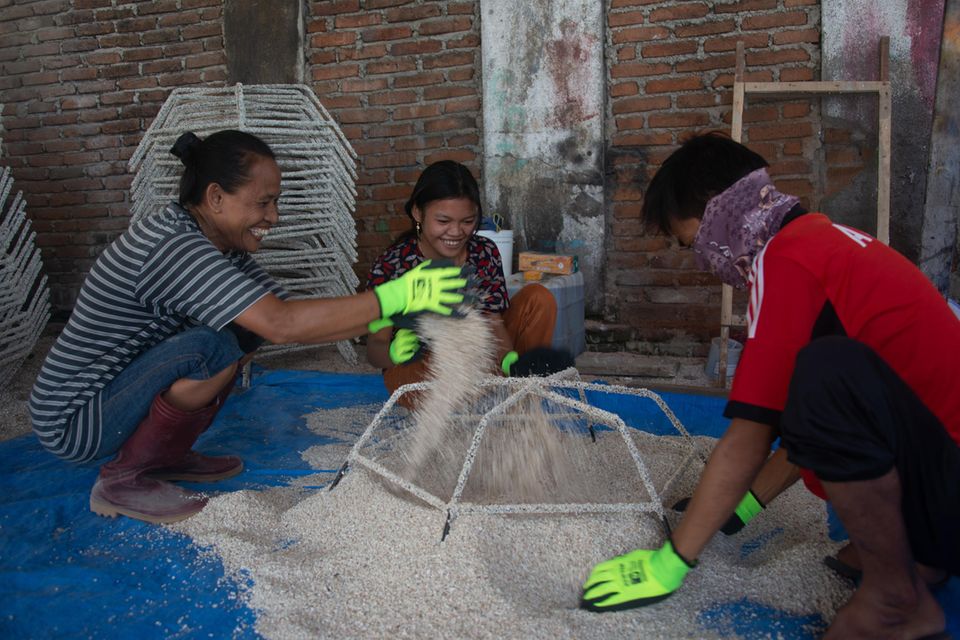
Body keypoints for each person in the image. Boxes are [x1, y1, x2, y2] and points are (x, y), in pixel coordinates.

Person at [579, 131, 959, 639]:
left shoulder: (787, 262)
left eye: (690, 241)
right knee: (819, 380)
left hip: (947, 484)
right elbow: (821, 418)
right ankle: (919, 555)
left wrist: (672, 560)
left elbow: (751, 435)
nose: (700, 261)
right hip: (936, 462)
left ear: (718, 213)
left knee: (821, 373)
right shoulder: (823, 240)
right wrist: (741, 508)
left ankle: (896, 599)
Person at [29, 130, 469, 525]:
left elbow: (288, 312)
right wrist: (398, 296)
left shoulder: (217, 243)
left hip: (112, 395)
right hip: (75, 417)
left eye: (275, 202)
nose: (272, 217)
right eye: (263, 202)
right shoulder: (176, 246)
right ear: (216, 197)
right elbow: (282, 324)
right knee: (213, 347)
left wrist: (399, 311)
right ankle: (123, 480)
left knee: (242, 334)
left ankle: (161, 456)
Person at [366, 160, 570, 403]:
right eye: (443, 221)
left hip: (478, 360)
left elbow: (493, 323)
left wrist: (509, 361)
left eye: (467, 221)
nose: (456, 232)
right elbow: (375, 348)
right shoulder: (393, 264)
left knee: (538, 298)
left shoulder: (483, 252)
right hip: (419, 374)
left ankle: (521, 391)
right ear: (417, 213)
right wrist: (391, 353)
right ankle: (478, 396)